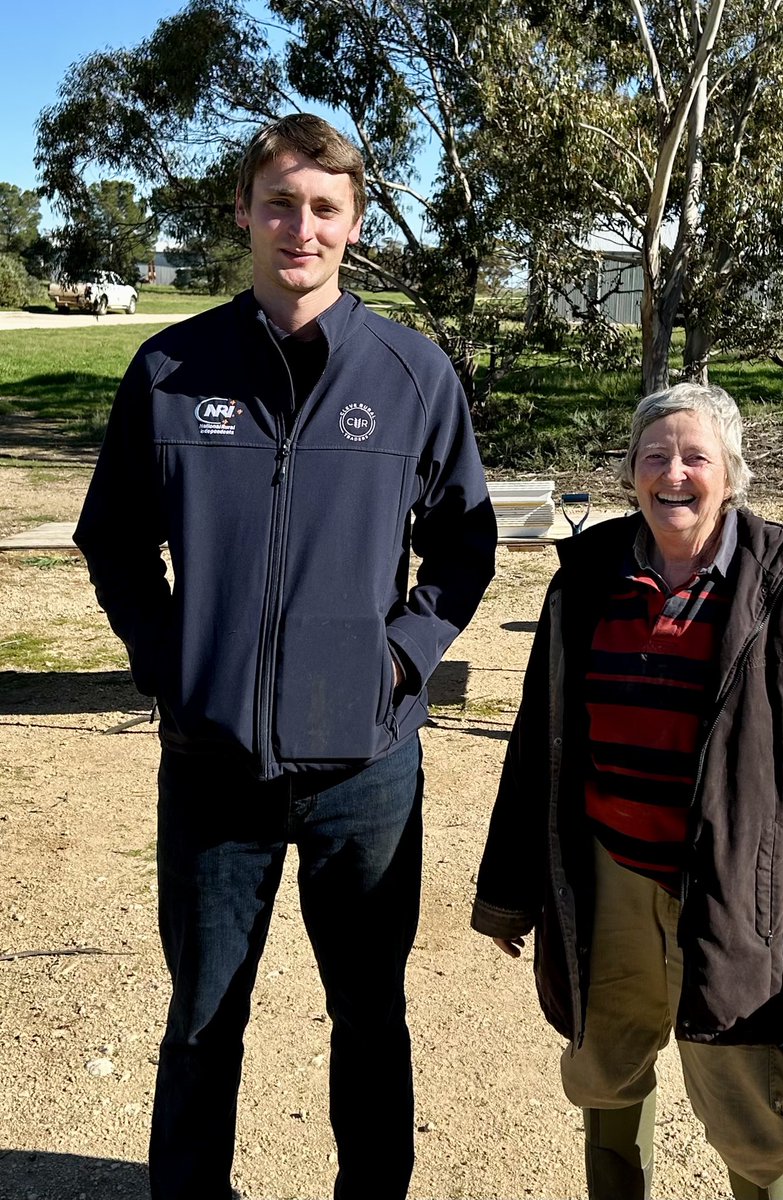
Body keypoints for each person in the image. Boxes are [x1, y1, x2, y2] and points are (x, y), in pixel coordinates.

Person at [74, 113, 496, 1200]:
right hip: (213, 768)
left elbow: (463, 542)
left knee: (369, 1014)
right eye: (278, 203)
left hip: (365, 769)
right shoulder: (170, 367)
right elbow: (112, 537)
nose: (297, 227)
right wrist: (173, 662)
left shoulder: (411, 373)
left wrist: (400, 658)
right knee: (203, 1017)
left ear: (352, 225)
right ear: (243, 215)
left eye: (321, 208)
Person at [471, 383, 783, 1200]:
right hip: (609, 879)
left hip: (736, 891)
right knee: (604, 1073)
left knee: (747, 1108)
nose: (674, 474)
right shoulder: (585, 578)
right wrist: (508, 895)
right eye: (654, 457)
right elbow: (538, 742)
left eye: (695, 457)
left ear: (730, 473)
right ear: (629, 474)